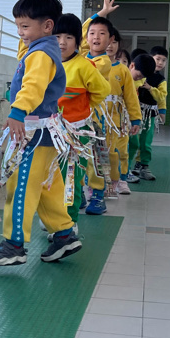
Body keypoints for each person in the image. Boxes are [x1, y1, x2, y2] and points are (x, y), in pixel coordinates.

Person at [0, 0, 82, 267]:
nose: (20, 32)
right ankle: (64, 235)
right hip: (47, 133)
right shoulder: (44, 49)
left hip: (33, 135)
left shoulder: (41, 54)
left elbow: (33, 86)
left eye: (25, 26)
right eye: (18, 26)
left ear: (47, 26)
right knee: (47, 187)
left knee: (20, 185)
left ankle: (14, 245)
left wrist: (18, 111)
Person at [54, 12, 111, 226]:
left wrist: (85, 106)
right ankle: (54, 217)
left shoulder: (85, 66)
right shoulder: (46, 62)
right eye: (57, 36)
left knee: (72, 178)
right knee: (51, 176)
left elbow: (102, 90)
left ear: (79, 41)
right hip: (50, 132)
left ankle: (69, 223)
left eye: (69, 37)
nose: (62, 42)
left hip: (77, 132)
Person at [80, 12, 117, 214]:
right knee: (77, 157)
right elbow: (79, 34)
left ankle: (98, 196)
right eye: (92, 33)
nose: (95, 37)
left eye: (102, 33)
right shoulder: (83, 56)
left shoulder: (103, 62)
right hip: (75, 118)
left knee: (95, 158)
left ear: (110, 40)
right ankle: (78, 194)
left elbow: (85, 73)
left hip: (93, 119)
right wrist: (99, 14)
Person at [106, 30, 142, 194]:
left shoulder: (123, 70)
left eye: (114, 42)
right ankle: (100, 183)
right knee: (99, 151)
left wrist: (135, 119)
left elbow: (131, 97)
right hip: (97, 118)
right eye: (107, 41)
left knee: (121, 151)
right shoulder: (92, 66)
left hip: (118, 119)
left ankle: (122, 180)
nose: (110, 45)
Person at [133, 46, 169, 181]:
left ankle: (144, 166)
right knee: (133, 141)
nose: (160, 62)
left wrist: (150, 88)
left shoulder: (161, 80)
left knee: (146, 142)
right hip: (135, 113)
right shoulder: (139, 73)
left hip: (150, 115)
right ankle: (129, 168)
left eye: (163, 60)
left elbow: (162, 97)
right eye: (158, 59)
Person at [126, 53, 159, 183]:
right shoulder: (122, 77)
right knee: (121, 146)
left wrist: (136, 120)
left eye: (142, 77)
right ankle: (120, 173)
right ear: (132, 65)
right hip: (117, 119)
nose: (139, 79)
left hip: (131, 118)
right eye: (139, 75)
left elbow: (134, 102)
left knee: (134, 143)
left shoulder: (139, 82)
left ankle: (125, 171)